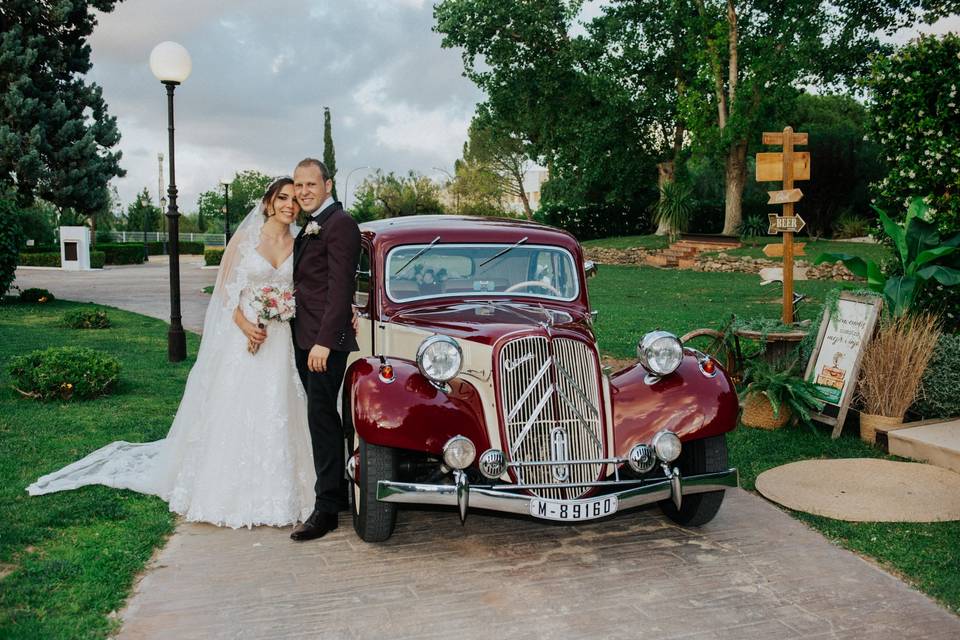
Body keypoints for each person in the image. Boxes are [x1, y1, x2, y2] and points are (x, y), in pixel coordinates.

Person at [26, 178, 317, 529]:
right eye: (282, 198)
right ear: (269, 203)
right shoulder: (245, 240)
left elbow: (304, 288)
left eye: (294, 200)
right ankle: (229, 491)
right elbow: (225, 293)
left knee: (279, 407)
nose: (289, 205)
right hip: (244, 339)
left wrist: (282, 311)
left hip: (279, 340)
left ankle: (283, 489)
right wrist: (245, 326)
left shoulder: (299, 241)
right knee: (236, 407)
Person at [289, 158, 361, 541]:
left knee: (321, 419)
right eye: (298, 185)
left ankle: (327, 511)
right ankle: (339, 494)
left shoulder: (341, 224)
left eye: (310, 184)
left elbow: (339, 290)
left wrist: (323, 342)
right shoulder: (311, 225)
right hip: (305, 337)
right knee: (324, 419)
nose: (303, 191)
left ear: (327, 184)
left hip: (323, 343)